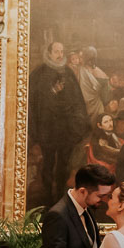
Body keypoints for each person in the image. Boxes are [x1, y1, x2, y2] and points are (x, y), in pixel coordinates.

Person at [29, 42, 90, 207]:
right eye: (56, 51)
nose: (60, 54)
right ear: (49, 53)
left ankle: (61, 197)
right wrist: (53, 92)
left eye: (62, 51)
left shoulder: (68, 73)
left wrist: (78, 122)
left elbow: (76, 99)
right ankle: (48, 197)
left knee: (64, 164)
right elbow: (35, 101)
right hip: (47, 128)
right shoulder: (39, 73)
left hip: (65, 129)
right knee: (48, 163)